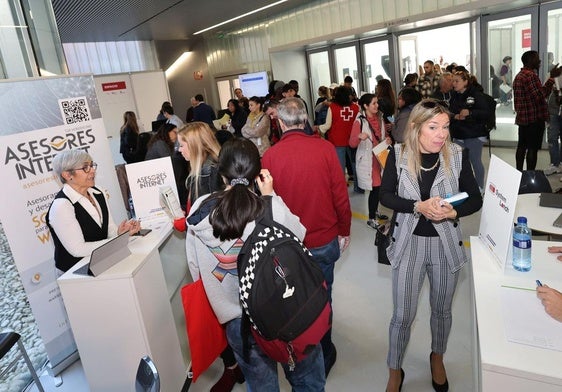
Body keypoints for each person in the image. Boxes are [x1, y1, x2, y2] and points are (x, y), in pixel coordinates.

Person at [185, 137, 325, 391]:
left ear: (222, 173)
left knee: (261, 386)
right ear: (257, 172)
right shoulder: (269, 208)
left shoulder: (199, 210)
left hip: (236, 320)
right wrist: (271, 196)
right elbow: (300, 236)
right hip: (282, 310)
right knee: (306, 380)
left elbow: (195, 268)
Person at [380, 99, 482, 392]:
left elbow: (473, 198)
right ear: (415, 127)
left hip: (445, 244)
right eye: (433, 127)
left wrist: (453, 211)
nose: (441, 134)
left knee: (442, 310)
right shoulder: (398, 154)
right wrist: (417, 206)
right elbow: (386, 195)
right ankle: (394, 368)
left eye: (446, 127)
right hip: (409, 244)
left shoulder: (457, 155)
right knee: (402, 315)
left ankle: (437, 356)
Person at [262, 97, 352, 377]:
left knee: (294, 301)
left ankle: (300, 353)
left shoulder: (270, 157)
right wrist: (345, 229)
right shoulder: (325, 150)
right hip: (324, 241)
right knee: (324, 296)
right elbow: (340, 196)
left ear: (279, 122)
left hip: (288, 248)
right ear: (304, 119)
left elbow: (268, 206)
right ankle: (325, 351)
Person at [175, 123, 244, 392]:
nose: (179, 149)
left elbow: (213, 221)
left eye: (182, 144)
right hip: (223, 256)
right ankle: (236, 365)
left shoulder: (205, 174)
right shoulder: (215, 169)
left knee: (220, 313)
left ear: (194, 145)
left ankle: (235, 367)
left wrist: (186, 223)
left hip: (215, 258)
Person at [46, 149, 140, 272]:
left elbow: (109, 230)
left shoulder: (98, 192)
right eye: (86, 168)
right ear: (67, 175)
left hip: (102, 262)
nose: (93, 170)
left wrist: (120, 233)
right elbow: (78, 249)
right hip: (77, 273)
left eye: (92, 165)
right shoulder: (62, 206)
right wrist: (116, 241)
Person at [512, 50, 561, 171]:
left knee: (522, 147)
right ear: (529, 61)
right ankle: (529, 175)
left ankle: (519, 173)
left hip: (523, 119)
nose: (539, 61)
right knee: (532, 148)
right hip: (533, 119)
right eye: (537, 58)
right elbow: (541, 95)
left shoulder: (519, 75)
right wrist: (551, 78)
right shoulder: (530, 76)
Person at [349, 93, 392, 229]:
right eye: (373, 103)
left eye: (377, 103)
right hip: (369, 160)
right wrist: (359, 137)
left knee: (379, 188)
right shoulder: (359, 121)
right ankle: (371, 218)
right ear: (365, 106)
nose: (377, 106)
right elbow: (351, 143)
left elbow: (383, 135)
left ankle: (375, 211)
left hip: (380, 157)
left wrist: (388, 139)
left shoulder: (379, 118)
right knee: (376, 188)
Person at [448, 69, 491, 190]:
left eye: (457, 81)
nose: (454, 84)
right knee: (458, 163)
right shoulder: (454, 95)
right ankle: (462, 187)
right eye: (453, 81)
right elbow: (451, 111)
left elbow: (485, 112)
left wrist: (470, 112)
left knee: (475, 161)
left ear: (465, 82)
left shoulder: (476, 94)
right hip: (459, 133)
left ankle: (479, 187)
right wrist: (454, 116)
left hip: (474, 133)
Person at [318, 86, 360, 176]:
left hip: (337, 141)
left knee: (340, 166)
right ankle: (359, 188)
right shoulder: (356, 107)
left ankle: (341, 187)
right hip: (353, 139)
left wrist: (318, 128)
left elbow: (327, 125)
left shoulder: (332, 107)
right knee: (355, 164)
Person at [544, 85, 562, 175]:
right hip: (553, 112)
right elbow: (545, 89)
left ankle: (560, 164)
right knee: (552, 138)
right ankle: (554, 164)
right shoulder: (555, 74)